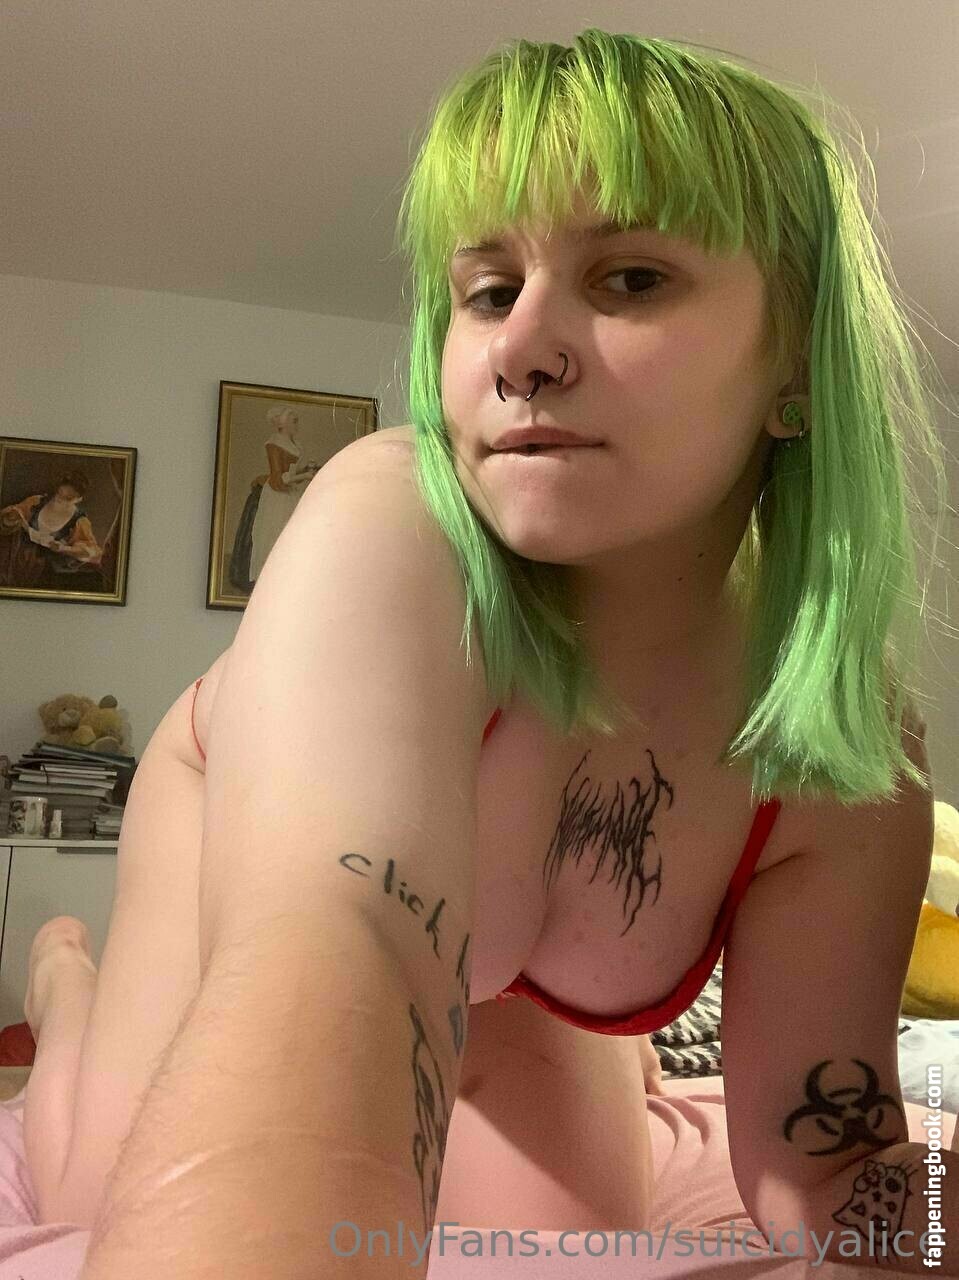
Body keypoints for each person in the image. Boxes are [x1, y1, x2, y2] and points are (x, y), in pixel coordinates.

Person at [17, 28, 955, 1280]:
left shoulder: (846, 758)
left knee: (570, 1237)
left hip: (503, 969)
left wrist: (931, 1212)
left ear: (794, 359)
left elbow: (829, 1169)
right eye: (487, 290)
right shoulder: (388, 526)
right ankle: (66, 978)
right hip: (233, 820)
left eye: (629, 278)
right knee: (101, 1184)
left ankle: (588, 1048)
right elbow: (336, 950)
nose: (521, 348)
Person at [248, 404, 317, 583]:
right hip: (277, 497)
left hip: (291, 494)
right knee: (276, 533)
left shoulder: (296, 444)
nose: (297, 425)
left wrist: (307, 471)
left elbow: (291, 475)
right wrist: (305, 475)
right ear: (284, 423)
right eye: (294, 421)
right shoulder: (273, 445)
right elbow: (278, 480)